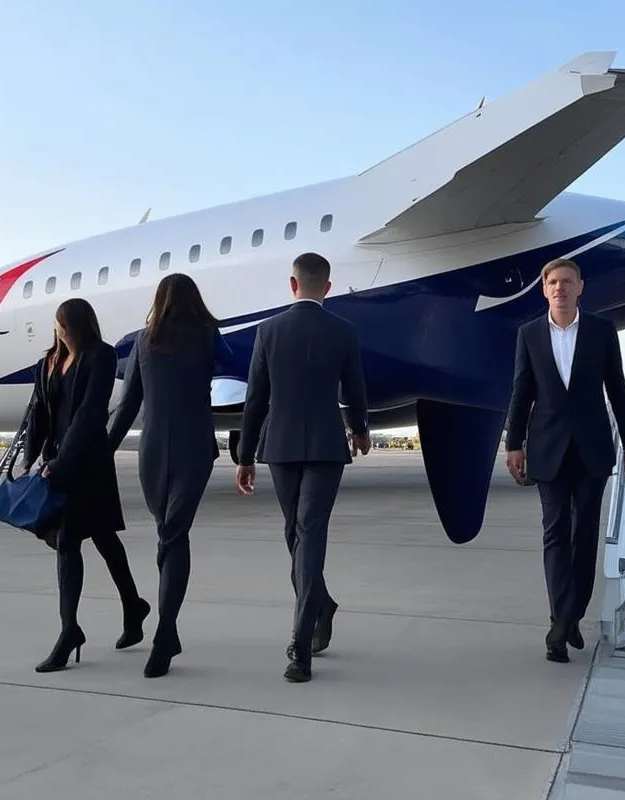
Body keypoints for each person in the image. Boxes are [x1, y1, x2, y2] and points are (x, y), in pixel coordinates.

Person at [235, 252, 370, 683]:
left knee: (302, 532)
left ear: (292, 285)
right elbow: (355, 387)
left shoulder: (268, 330)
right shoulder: (344, 331)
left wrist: (244, 455)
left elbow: (255, 397)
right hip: (328, 444)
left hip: (281, 445)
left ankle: (300, 645)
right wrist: (360, 429)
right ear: (327, 288)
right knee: (301, 533)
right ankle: (322, 604)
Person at [504, 257, 625, 664]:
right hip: (546, 447)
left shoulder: (601, 330)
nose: (559, 287)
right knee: (555, 533)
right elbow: (521, 392)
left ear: (581, 286)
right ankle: (560, 623)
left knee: (585, 537)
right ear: (544, 289)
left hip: (593, 447)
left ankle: (571, 614)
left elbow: (617, 388)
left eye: (566, 281)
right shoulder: (528, 334)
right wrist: (514, 443)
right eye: (552, 282)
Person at [108, 273, 233, 678]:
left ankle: (165, 632)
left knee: (168, 533)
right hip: (195, 447)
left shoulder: (145, 341)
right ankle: (166, 629)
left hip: (154, 450)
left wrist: (102, 451)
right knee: (172, 535)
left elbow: (128, 405)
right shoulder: (209, 336)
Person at [23, 298, 147, 673]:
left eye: (61, 323)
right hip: (55, 465)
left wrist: (63, 463)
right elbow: (38, 413)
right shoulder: (48, 362)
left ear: (74, 324)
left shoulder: (101, 356)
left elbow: (91, 413)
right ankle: (132, 605)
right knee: (100, 537)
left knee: (74, 541)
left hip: (86, 464)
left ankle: (68, 631)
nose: (57, 329)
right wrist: (30, 459)